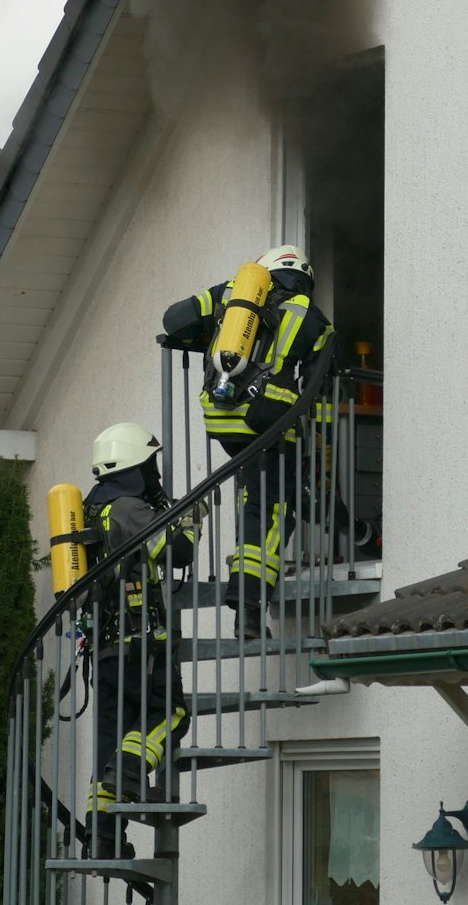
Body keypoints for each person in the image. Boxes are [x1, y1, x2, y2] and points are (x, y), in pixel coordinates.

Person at [159, 245, 334, 640]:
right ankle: (249, 614)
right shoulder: (314, 318)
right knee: (272, 512)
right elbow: (322, 389)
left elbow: (174, 320)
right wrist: (320, 440)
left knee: (257, 500)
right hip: (271, 424)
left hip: (223, 420)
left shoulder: (233, 294)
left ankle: (249, 606)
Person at [80, 422, 201, 861]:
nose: (154, 473)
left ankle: (104, 836)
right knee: (171, 712)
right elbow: (176, 551)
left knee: (112, 741)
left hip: (106, 650)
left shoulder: (93, 507)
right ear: (134, 465)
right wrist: (187, 517)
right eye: (150, 464)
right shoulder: (128, 508)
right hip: (141, 645)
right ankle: (129, 773)